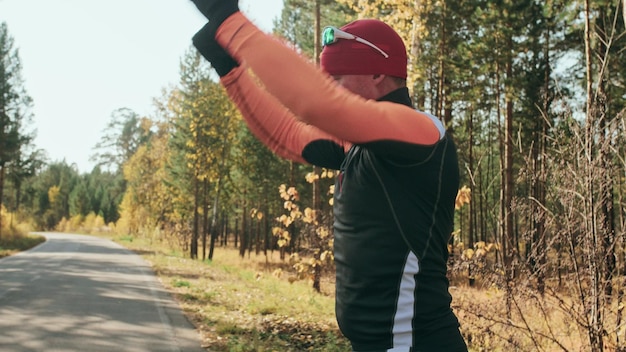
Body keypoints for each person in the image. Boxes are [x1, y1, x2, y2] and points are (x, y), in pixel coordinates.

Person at [188, 1, 468, 351]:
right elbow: (288, 135)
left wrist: (230, 21)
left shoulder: (421, 132)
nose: (327, 87)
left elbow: (319, 105)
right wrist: (230, 69)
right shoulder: (360, 147)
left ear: (377, 74)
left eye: (334, 79)